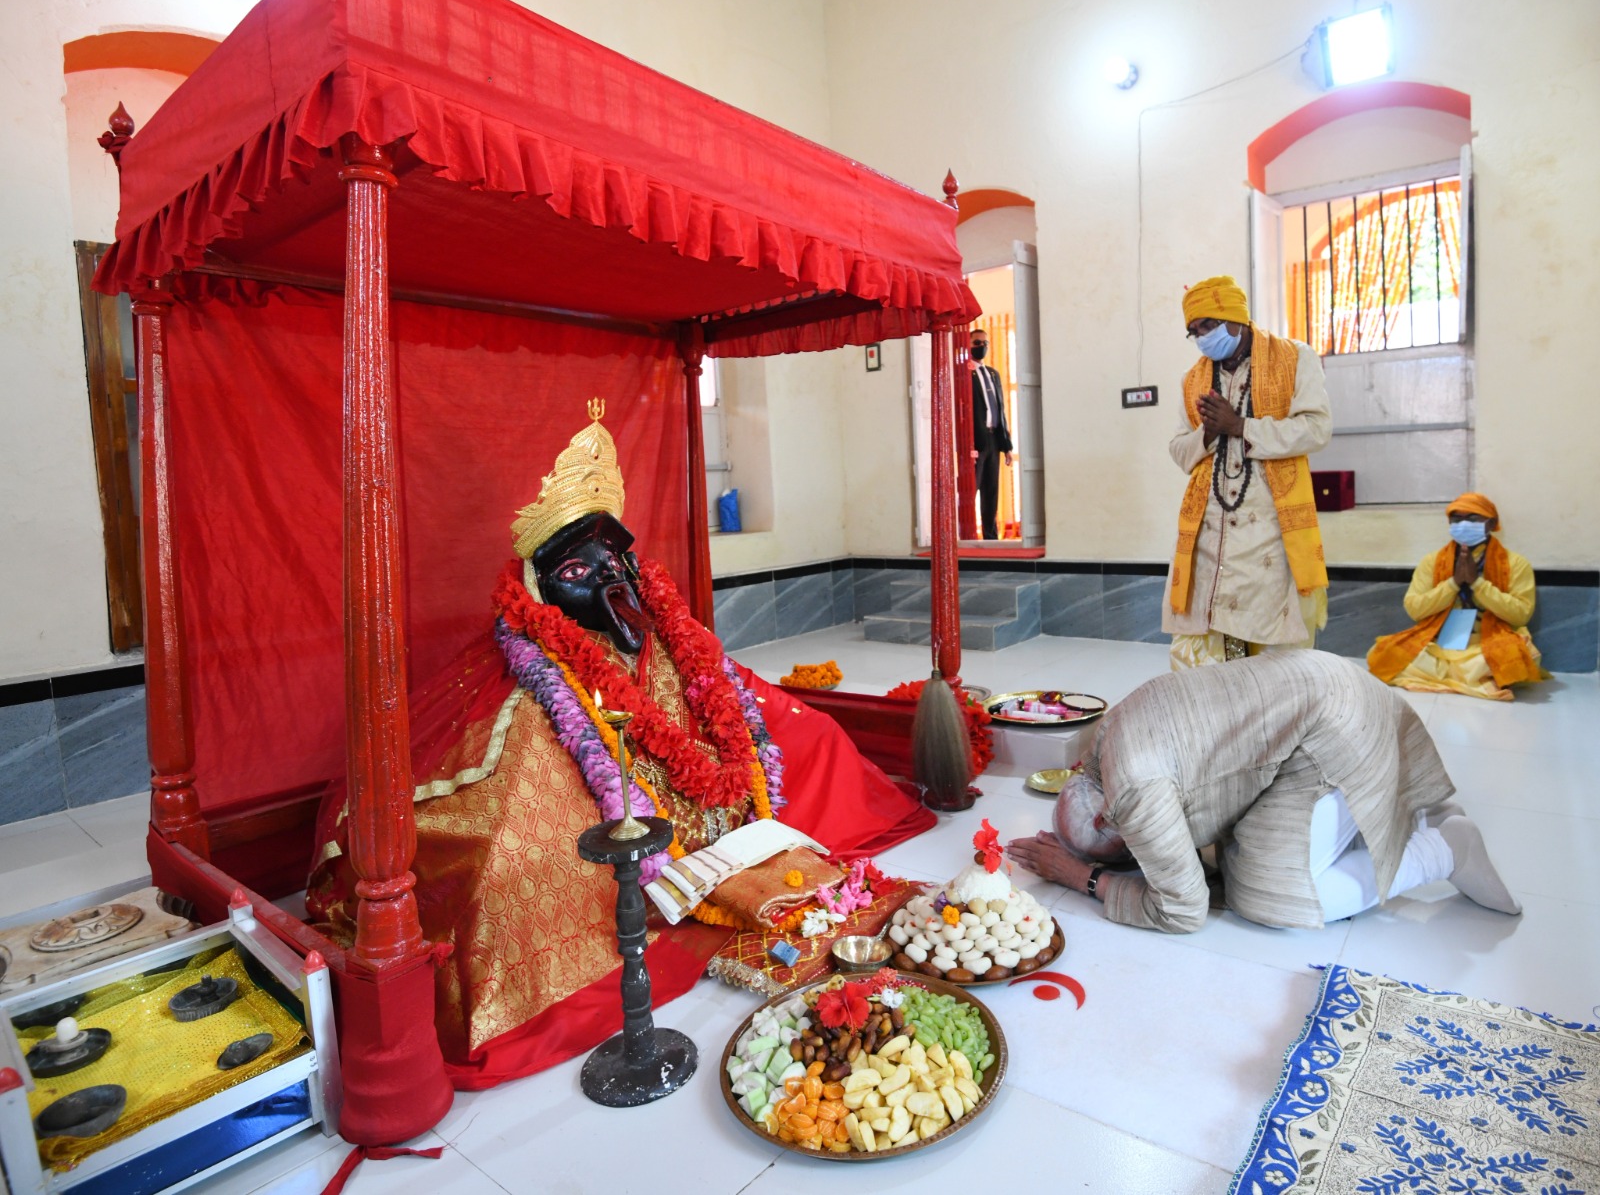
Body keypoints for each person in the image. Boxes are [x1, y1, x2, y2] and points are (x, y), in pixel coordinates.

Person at [308, 400, 933, 1084]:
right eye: (580, 572)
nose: (609, 580)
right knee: (508, 855)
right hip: (571, 721)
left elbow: (734, 707)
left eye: (616, 562)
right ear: (538, 590)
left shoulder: (665, 633)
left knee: (806, 734)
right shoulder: (528, 671)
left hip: (695, 738)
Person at [1007, 651, 1519, 933]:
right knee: (1231, 855)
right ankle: (1385, 814)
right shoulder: (1107, 740)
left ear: (1108, 820)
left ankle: (1444, 848)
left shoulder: (1134, 791)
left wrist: (1083, 877)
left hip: (1333, 728)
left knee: (1264, 897)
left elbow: (1183, 911)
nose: (1136, 855)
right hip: (1324, 685)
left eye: (1128, 848)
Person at [1163, 276, 1332, 669]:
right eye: (1194, 332)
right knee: (1207, 642)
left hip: (1269, 527)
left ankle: (1269, 723)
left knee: (1270, 639)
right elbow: (1177, 449)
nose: (1202, 337)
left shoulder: (1295, 357)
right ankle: (1220, 722)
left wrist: (1242, 426)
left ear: (1233, 317)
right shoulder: (1193, 380)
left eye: (1208, 325)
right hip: (1208, 528)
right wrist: (1208, 431)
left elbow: (1317, 428)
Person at [1368, 492, 1545, 701]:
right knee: (1381, 652)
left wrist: (1477, 583)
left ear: (1491, 523)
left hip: (1486, 641)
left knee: (1520, 653)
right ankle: (1475, 678)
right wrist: (1453, 583)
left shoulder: (1515, 563)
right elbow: (1414, 608)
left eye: (1472, 519)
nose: (1463, 524)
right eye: (1456, 519)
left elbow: (1521, 615)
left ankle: (1453, 674)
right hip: (1440, 639)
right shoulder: (1432, 561)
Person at [969, 328, 1013, 540]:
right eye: (977, 342)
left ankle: (991, 537)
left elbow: (1000, 409)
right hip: (976, 440)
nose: (982, 347)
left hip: (994, 438)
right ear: (969, 345)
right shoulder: (965, 374)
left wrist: (1007, 446)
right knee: (972, 489)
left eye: (985, 343)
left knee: (992, 491)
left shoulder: (993, 374)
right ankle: (968, 536)